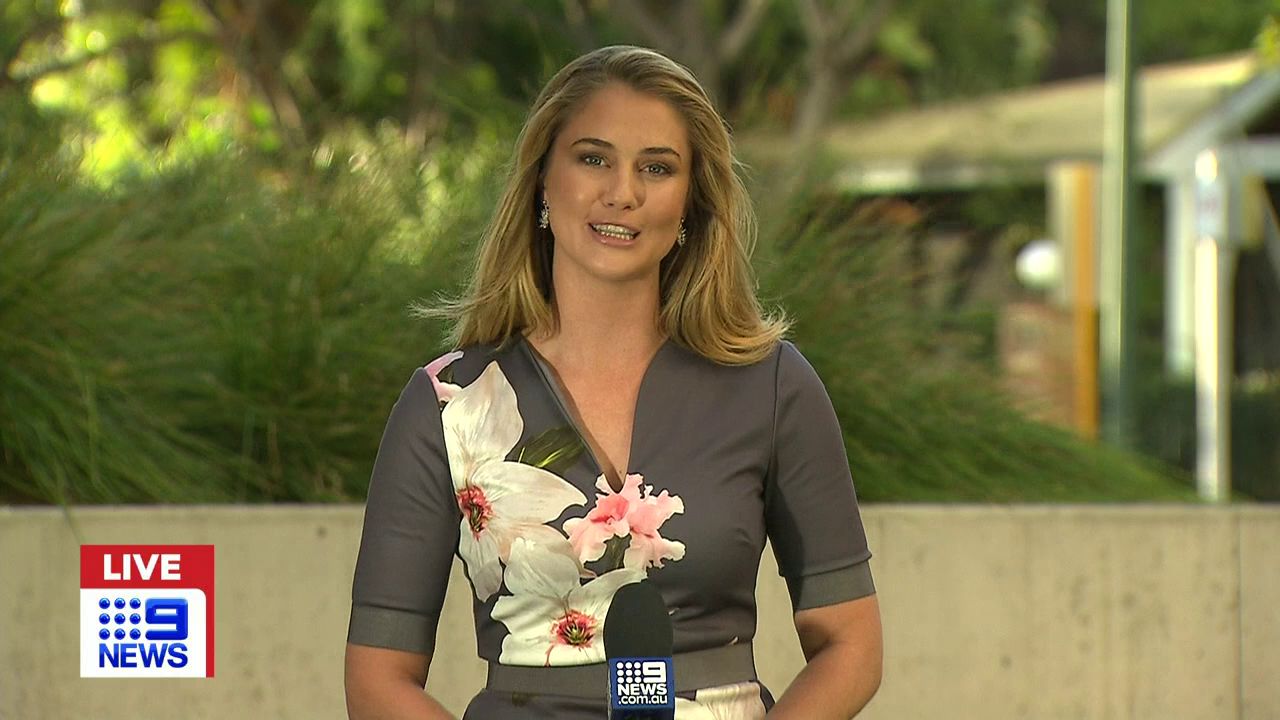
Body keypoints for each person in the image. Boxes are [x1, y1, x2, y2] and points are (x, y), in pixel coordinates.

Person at [344, 45, 881, 719]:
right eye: (593, 158)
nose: (622, 192)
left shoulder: (771, 387)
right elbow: (377, 680)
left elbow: (852, 645)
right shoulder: (449, 404)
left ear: (690, 203)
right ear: (543, 180)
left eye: (657, 167)